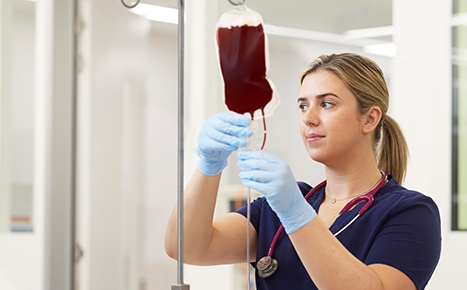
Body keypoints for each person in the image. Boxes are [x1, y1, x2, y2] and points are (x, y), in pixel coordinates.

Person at [165, 53, 441, 290]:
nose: (308, 117)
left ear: (369, 118)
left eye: (327, 104)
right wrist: (209, 166)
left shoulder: (411, 213)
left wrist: (297, 215)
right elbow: (185, 246)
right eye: (303, 105)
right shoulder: (281, 206)